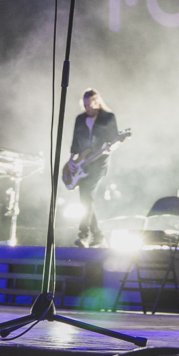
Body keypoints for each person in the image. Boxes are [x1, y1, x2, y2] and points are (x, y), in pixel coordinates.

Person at [68, 89, 118, 247]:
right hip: (83, 162)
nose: (87, 108)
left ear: (97, 103)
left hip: (99, 163)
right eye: (84, 105)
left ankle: (83, 235)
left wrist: (111, 148)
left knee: (86, 197)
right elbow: (75, 140)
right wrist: (71, 160)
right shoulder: (80, 119)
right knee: (86, 199)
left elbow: (115, 139)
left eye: (89, 105)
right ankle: (98, 235)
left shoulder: (108, 118)